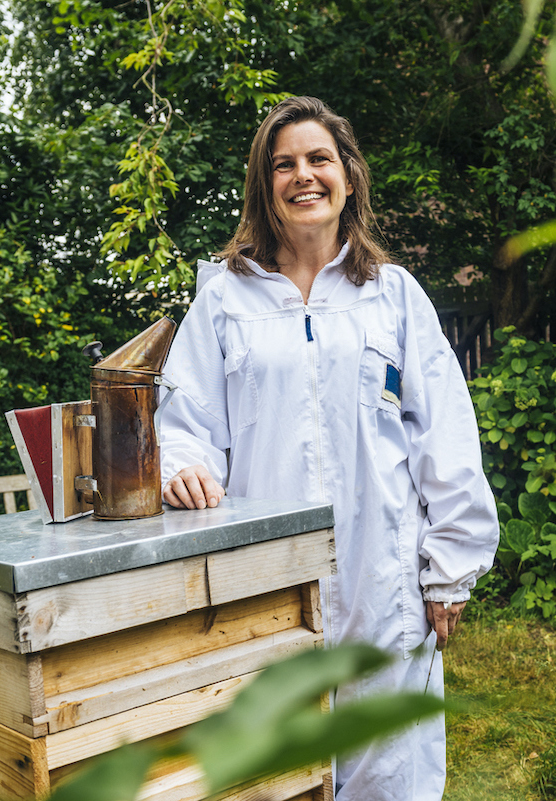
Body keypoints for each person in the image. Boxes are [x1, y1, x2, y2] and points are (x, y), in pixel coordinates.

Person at [158, 96, 499, 800]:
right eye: (284, 164)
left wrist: (451, 567)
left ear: (347, 176)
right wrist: (184, 466)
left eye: (319, 159)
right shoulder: (225, 300)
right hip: (267, 581)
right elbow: (186, 415)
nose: (303, 175)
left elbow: (445, 431)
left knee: (389, 765)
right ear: (265, 186)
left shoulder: (394, 295)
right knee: (281, 768)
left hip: (385, 576)